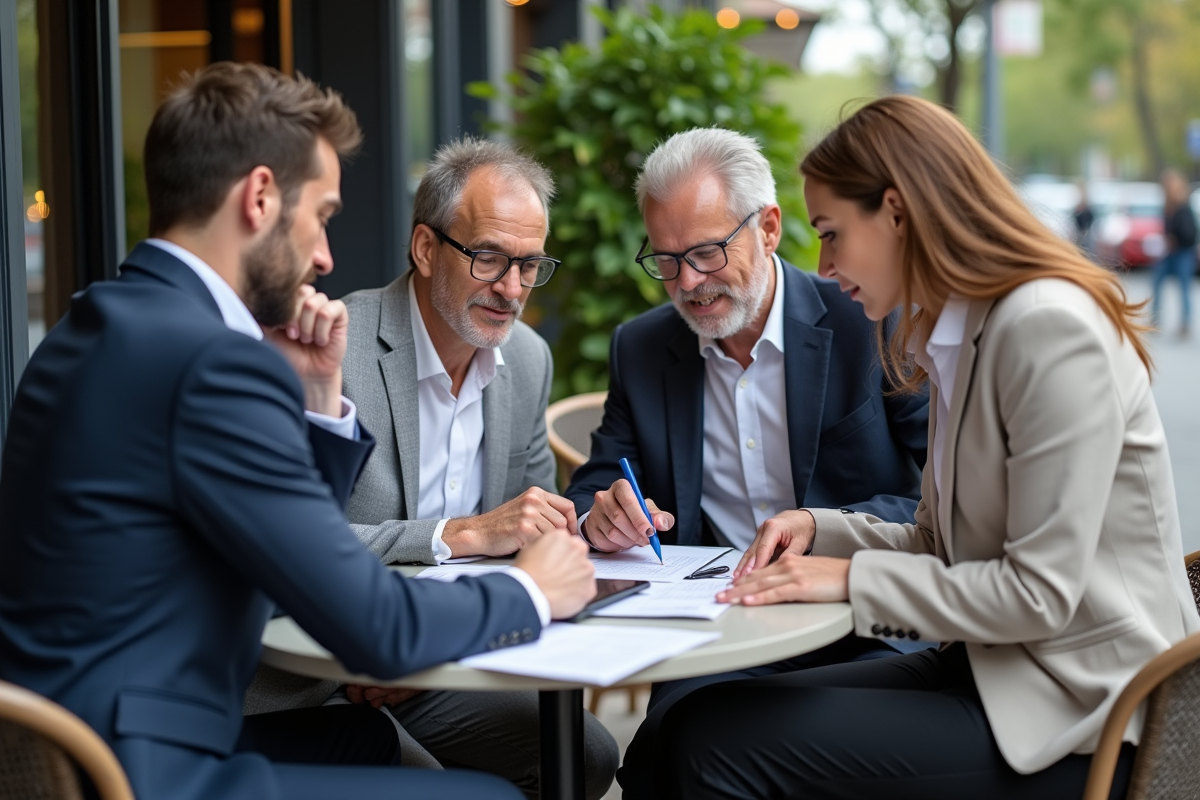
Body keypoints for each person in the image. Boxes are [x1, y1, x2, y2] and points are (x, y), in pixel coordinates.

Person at [0, 62, 596, 800]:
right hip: (151, 770)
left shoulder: (93, 324)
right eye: (322, 215)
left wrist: (317, 402)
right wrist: (531, 592)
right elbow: (375, 626)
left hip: (76, 743)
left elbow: (283, 560)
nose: (324, 256)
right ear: (259, 198)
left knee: (372, 744)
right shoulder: (211, 364)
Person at [628, 95, 1200, 800]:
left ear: (896, 214)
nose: (824, 265)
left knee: (713, 749)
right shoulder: (954, 334)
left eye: (832, 233)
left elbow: (1039, 595)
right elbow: (939, 544)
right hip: (996, 669)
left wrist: (848, 581)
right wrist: (820, 530)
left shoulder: (1047, 328)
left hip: (1089, 714)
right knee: (684, 722)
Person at [247, 137, 619, 800]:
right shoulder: (327, 350)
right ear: (425, 248)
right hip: (320, 673)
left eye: (530, 265)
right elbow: (289, 548)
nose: (512, 289)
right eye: (489, 258)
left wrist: (587, 525)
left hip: (442, 656)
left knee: (587, 754)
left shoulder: (526, 359)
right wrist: (456, 534)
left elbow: (529, 530)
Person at [558, 128, 928, 795]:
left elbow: (941, 498)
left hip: (862, 620)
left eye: (706, 252)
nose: (687, 282)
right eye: (666, 260)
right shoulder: (642, 348)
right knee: (659, 755)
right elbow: (594, 484)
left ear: (770, 228)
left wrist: (823, 530)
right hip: (719, 631)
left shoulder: (869, 321)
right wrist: (601, 516)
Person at [1151, 168, 1198, 336]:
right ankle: (1155, 319)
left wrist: (1176, 239)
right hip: (1169, 252)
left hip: (1183, 252)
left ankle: (1186, 323)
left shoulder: (1183, 207)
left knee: (1184, 288)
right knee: (1156, 282)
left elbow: (1190, 233)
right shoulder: (1167, 206)